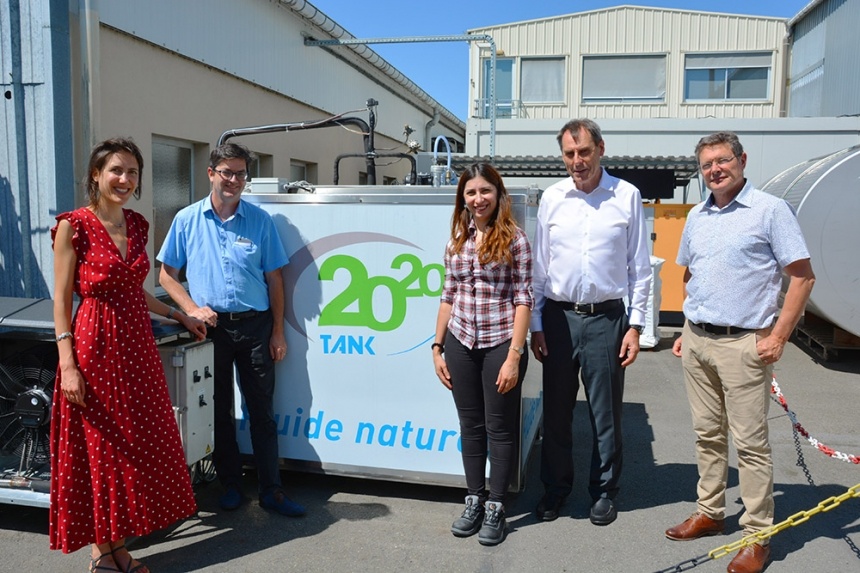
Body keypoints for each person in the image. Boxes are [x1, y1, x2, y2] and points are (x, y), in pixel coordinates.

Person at [50, 137, 205, 572]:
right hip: (93, 345)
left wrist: (178, 314)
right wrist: (68, 365)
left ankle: (117, 546)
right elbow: (60, 301)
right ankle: (103, 553)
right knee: (100, 448)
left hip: (135, 347)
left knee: (131, 447)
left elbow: (135, 290)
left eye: (132, 172)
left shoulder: (137, 224)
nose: (124, 179)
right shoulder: (73, 225)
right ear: (96, 175)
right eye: (116, 170)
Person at [666, 132, 814, 573]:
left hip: (744, 344)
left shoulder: (770, 211)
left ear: (742, 160)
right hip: (698, 340)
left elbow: (802, 277)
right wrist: (688, 326)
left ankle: (758, 535)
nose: (714, 170)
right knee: (707, 434)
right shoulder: (697, 215)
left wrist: (778, 336)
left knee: (750, 444)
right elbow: (692, 271)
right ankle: (710, 512)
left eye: (722, 160)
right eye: (707, 164)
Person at [158, 142, 305, 517]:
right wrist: (190, 308)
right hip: (211, 331)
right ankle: (231, 486)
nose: (234, 180)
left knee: (262, 412)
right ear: (211, 173)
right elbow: (166, 275)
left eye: (241, 173)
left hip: (256, 328)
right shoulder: (187, 220)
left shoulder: (260, 221)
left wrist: (277, 332)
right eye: (227, 172)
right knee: (219, 411)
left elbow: (275, 280)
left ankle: (272, 491)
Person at [530, 118, 652, 526]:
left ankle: (603, 492)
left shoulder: (626, 195)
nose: (577, 161)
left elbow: (640, 267)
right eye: (569, 154)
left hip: (607, 320)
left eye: (584, 152)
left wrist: (636, 326)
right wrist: (536, 325)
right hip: (558, 319)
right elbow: (539, 268)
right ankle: (555, 490)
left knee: (605, 416)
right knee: (557, 414)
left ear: (601, 148)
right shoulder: (552, 198)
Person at [432, 163, 533, 546]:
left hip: (499, 343)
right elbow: (448, 296)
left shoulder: (516, 240)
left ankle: (497, 505)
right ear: (463, 198)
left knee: (499, 428)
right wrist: (437, 346)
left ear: (497, 193)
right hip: (460, 341)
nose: (478, 199)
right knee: (470, 427)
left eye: (484, 191)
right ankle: (473, 498)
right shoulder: (456, 241)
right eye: (471, 193)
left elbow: (524, 299)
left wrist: (514, 356)